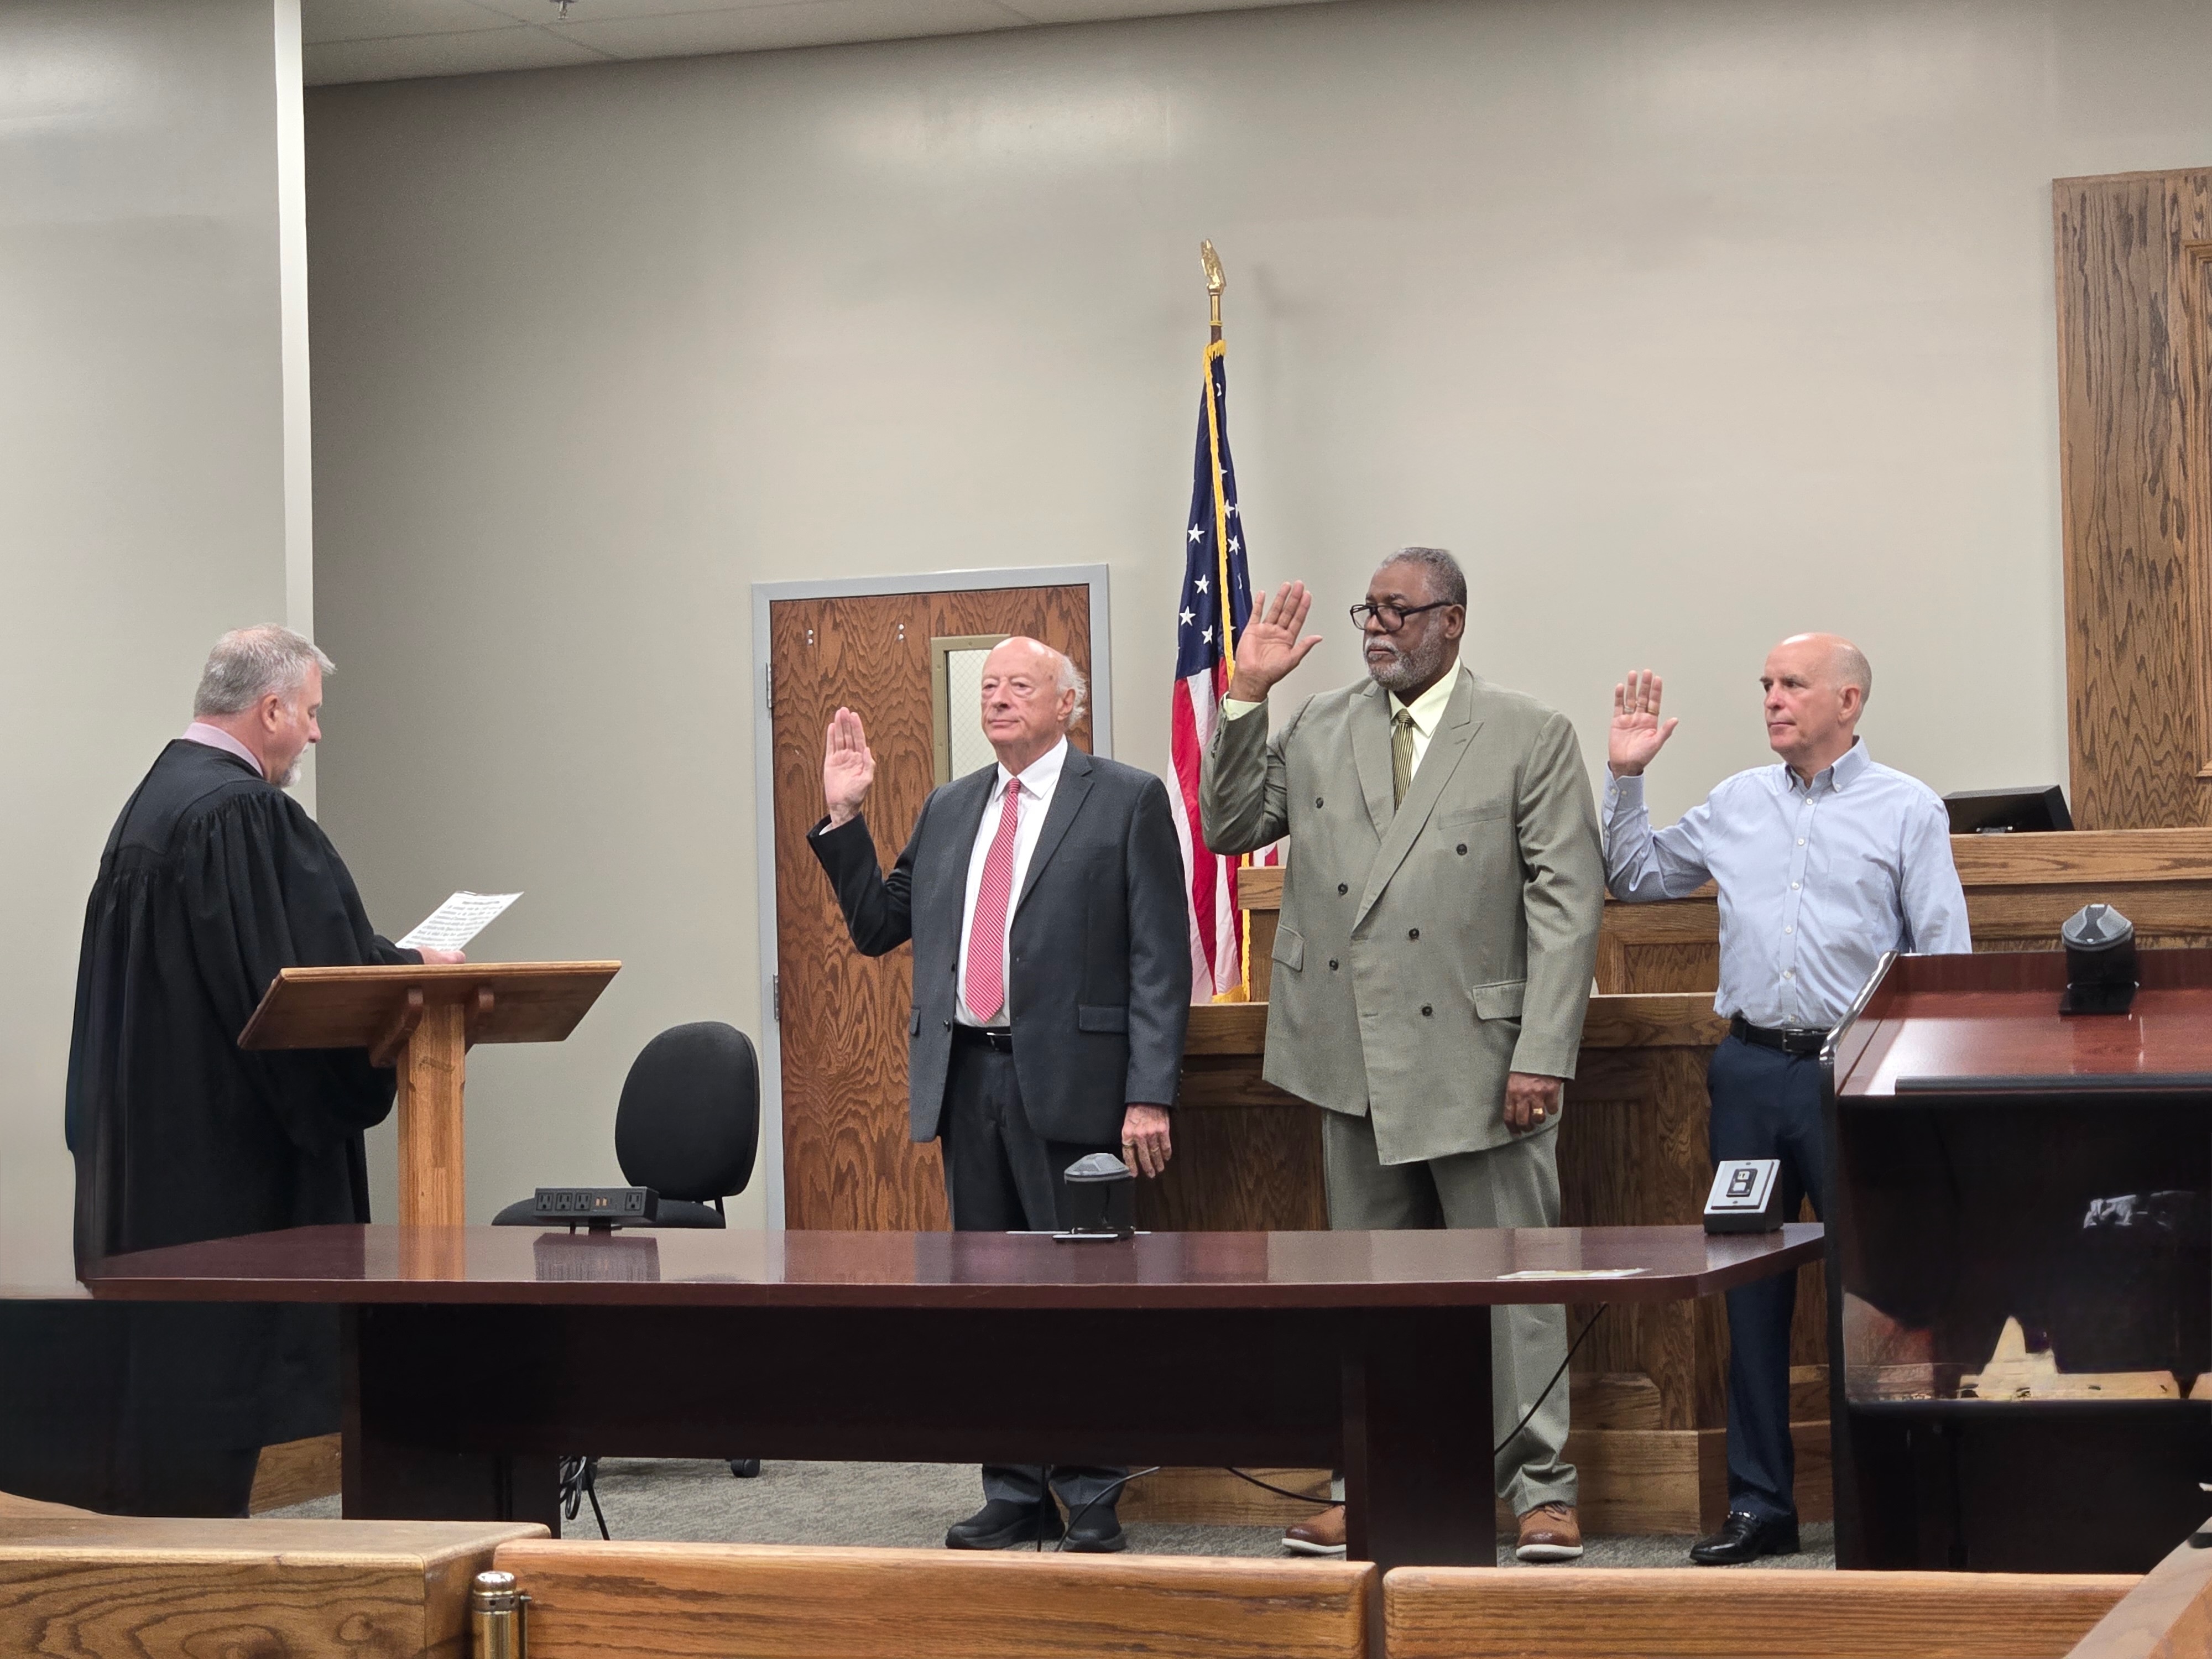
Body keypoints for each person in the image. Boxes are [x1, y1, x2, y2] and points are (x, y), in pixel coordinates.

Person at [1201, 548, 1605, 1564]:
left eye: (1398, 611)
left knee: (1513, 1286)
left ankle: (1541, 1491)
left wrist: (1544, 1051)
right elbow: (1229, 824)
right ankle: (1370, 1482)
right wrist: (1248, 693)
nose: (1376, 628)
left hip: (1486, 1061)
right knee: (1372, 1294)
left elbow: (1567, 903)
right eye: (1367, 612)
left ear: (1454, 622)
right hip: (1351, 1059)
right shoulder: (1322, 725)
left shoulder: (1527, 734)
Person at [64, 625, 462, 1517]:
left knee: (166, 1415)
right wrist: (410, 980)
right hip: (226, 1178)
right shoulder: (243, 816)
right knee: (215, 1392)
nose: (316, 736)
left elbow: (266, 961)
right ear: (271, 707)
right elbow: (304, 984)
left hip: (152, 1165)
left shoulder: (152, 807)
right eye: (311, 715)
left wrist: (388, 960)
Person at [808, 635, 1189, 1553]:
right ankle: (1014, 1487)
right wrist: (844, 817)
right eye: (988, 686)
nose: (999, 698)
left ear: (1069, 704)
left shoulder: (1126, 798)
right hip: (967, 1076)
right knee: (990, 1296)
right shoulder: (951, 807)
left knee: (1084, 1298)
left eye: (1021, 685)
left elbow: (1158, 961)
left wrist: (1150, 1094)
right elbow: (876, 926)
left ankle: (1092, 1493)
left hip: (1078, 1085)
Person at [1603, 634, 1969, 1564]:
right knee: (1750, 1292)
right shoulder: (1737, 802)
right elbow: (1638, 878)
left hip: (1855, 1075)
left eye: (1792, 685)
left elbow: (1943, 963)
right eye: (1765, 684)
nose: (1771, 699)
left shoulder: (1907, 810)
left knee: (1875, 1292)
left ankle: (1882, 1503)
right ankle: (1762, 1507)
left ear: (1848, 701)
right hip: (1752, 1075)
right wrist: (1627, 778)